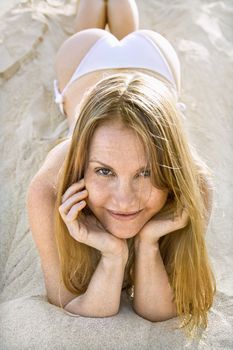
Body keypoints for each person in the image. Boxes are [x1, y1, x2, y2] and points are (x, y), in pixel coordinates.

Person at [26, 0, 216, 338]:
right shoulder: (47, 191)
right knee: (90, 30)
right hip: (89, 61)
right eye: (104, 171)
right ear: (81, 163)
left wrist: (148, 243)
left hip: (153, 64)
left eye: (146, 172)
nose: (125, 200)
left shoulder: (195, 184)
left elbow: (159, 312)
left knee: (103, 24)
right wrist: (113, 257)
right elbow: (67, 304)